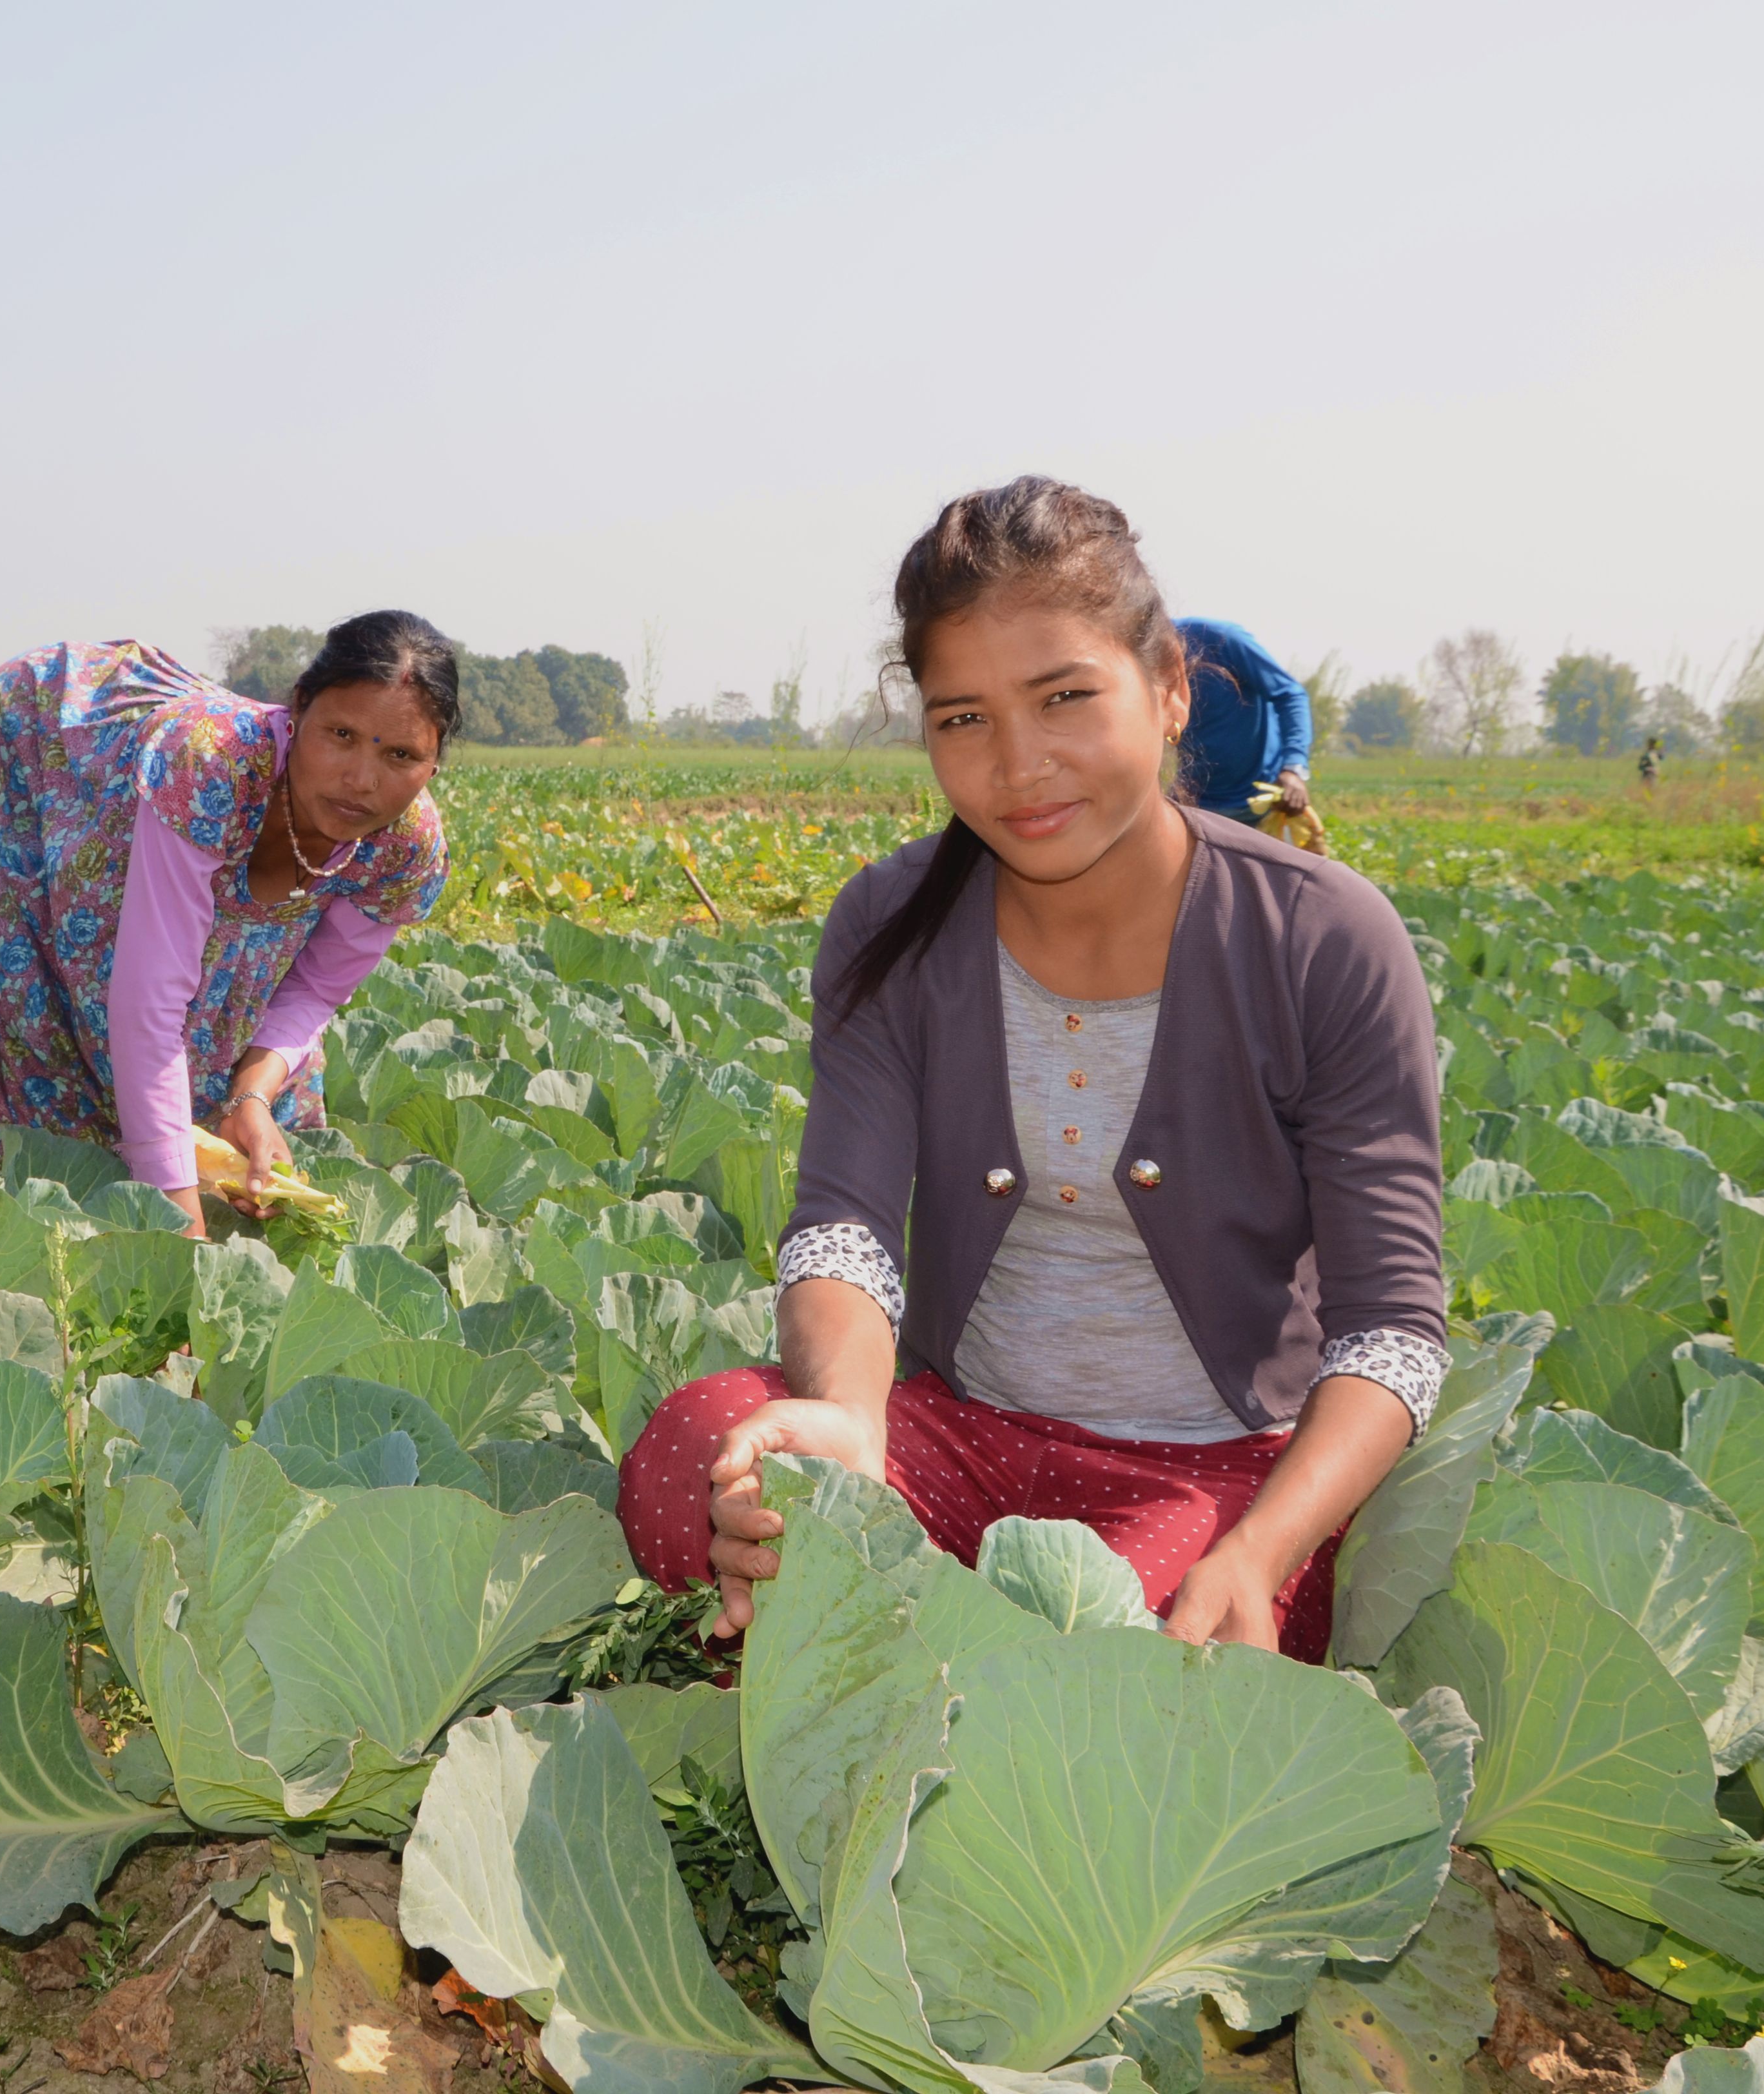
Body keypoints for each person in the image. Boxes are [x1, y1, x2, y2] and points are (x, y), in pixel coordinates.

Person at [616, 478, 1445, 1659]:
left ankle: (885, 1650)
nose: (1018, 765)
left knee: (1122, 1657)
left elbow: (1391, 1331)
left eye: (1064, 698)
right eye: (963, 718)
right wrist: (848, 1422)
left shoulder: (1323, 937)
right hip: (962, 1437)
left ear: (1168, 688)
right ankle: (904, 1639)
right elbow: (843, 1230)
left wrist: (1262, 1551)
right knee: (698, 1454)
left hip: (1213, 1479)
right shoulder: (890, 923)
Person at [0, 614, 452, 1235]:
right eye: (342, 734)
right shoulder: (211, 766)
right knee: (29, 1010)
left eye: (401, 755)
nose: (362, 780)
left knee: (229, 1109)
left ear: (434, 764)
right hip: (34, 750)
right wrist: (179, 1229)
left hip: (137, 793)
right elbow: (150, 1002)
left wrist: (251, 1097)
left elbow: (317, 991)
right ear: (299, 709)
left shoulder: (407, 845)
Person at [1172, 616, 1313, 824]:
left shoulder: (1221, 639)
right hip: (1191, 803)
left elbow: (1289, 695)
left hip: (1256, 802)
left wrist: (1293, 768)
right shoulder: (1136, 658)